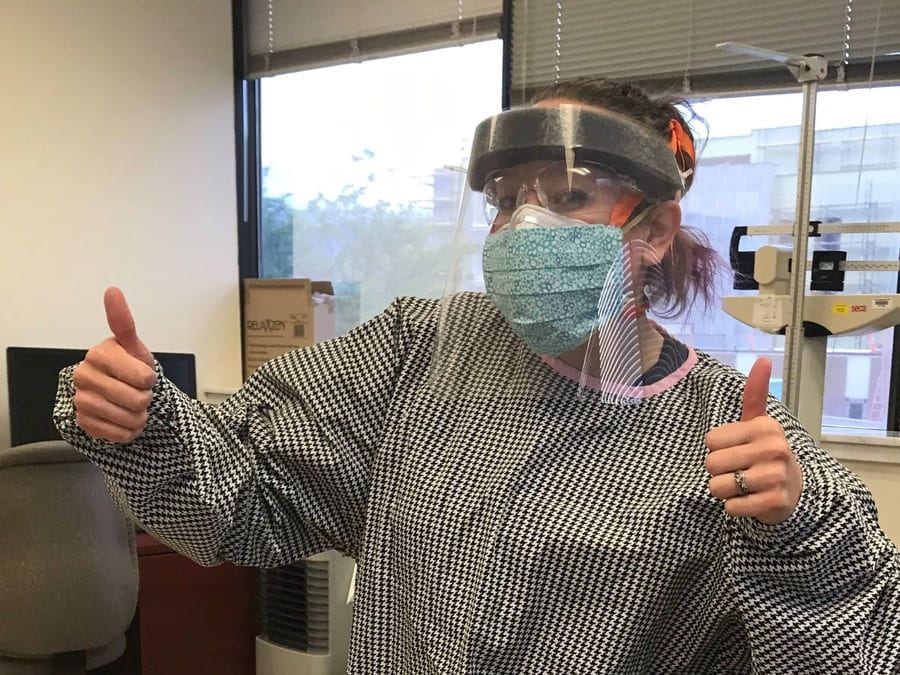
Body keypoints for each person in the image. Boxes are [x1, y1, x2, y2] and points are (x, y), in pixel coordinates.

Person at [55, 78, 900, 673]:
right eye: (507, 198)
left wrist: (800, 539)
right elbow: (250, 492)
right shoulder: (418, 350)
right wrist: (145, 420)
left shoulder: (733, 437)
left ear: (651, 228)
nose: (524, 222)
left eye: (565, 195)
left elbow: (857, 648)